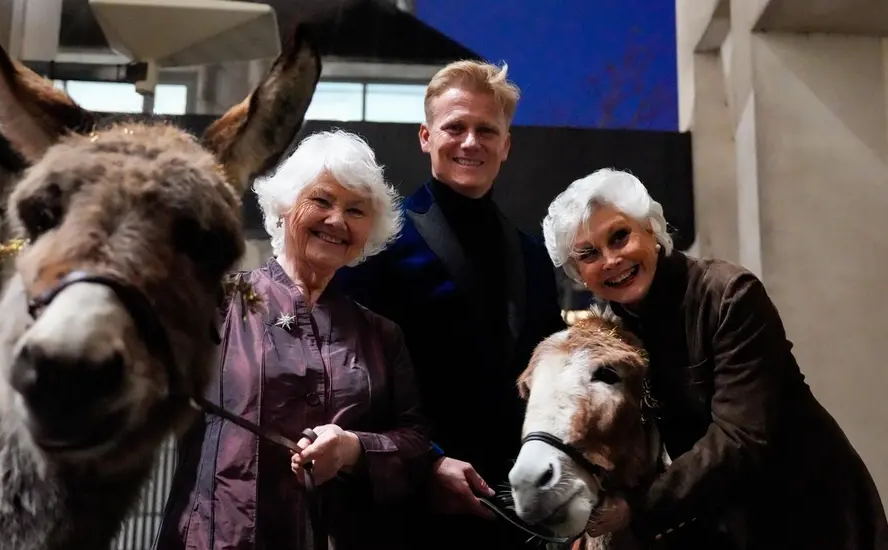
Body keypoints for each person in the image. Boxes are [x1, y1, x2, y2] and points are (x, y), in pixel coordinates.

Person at [541, 167, 888, 550]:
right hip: (720, 523)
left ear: (652, 231)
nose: (610, 260)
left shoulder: (729, 294)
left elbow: (741, 436)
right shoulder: (611, 332)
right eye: (588, 254)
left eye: (620, 236)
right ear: (578, 273)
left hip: (809, 515)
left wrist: (635, 509)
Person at [153, 130, 432, 550]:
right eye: (321, 200)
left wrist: (354, 447)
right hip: (217, 538)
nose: (337, 220)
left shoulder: (381, 335)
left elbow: (415, 442)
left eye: (355, 210)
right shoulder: (214, 304)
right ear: (284, 205)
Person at [333, 61, 567, 549]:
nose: (470, 142)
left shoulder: (533, 254)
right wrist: (427, 463)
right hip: (406, 512)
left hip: (513, 515)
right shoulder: (379, 241)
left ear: (506, 144)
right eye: (454, 127)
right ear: (425, 136)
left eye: (486, 129)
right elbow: (352, 377)